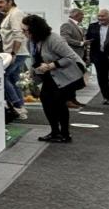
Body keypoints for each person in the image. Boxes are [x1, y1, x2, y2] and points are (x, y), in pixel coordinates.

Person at [22, 14, 85, 142]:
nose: (23, 33)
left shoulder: (54, 39)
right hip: (49, 76)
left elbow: (70, 57)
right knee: (46, 101)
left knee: (59, 103)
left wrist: (52, 65)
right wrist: (33, 71)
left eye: (25, 30)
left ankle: (65, 134)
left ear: (35, 29)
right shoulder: (32, 42)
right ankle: (55, 132)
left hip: (65, 75)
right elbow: (35, 60)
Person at [0, 0, 29, 119]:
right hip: (14, 52)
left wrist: (13, 53)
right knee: (13, 78)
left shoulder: (15, 14)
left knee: (3, 77)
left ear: (10, 2)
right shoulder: (10, 14)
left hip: (16, 53)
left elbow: (18, 34)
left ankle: (17, 105)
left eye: (2, 2)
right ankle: (20, 106)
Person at [59, 8, 88, 108]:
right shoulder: (67, 25)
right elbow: (65, 39)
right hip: (71, 56)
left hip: (78, 55)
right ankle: (67, 100)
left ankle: (73, 99)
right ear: (76, 15)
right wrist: (81, 43)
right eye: (82, 15)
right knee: (71, 79)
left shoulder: (76, 25)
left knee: (76, 79)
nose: (83, 17)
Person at [86, 9, 109, 104]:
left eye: (103, 16)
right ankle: (107, 96)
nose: (100, 18)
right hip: (98, 56)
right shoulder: (92, 26)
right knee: (102, 78)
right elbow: (88, 40)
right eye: (99, 16)